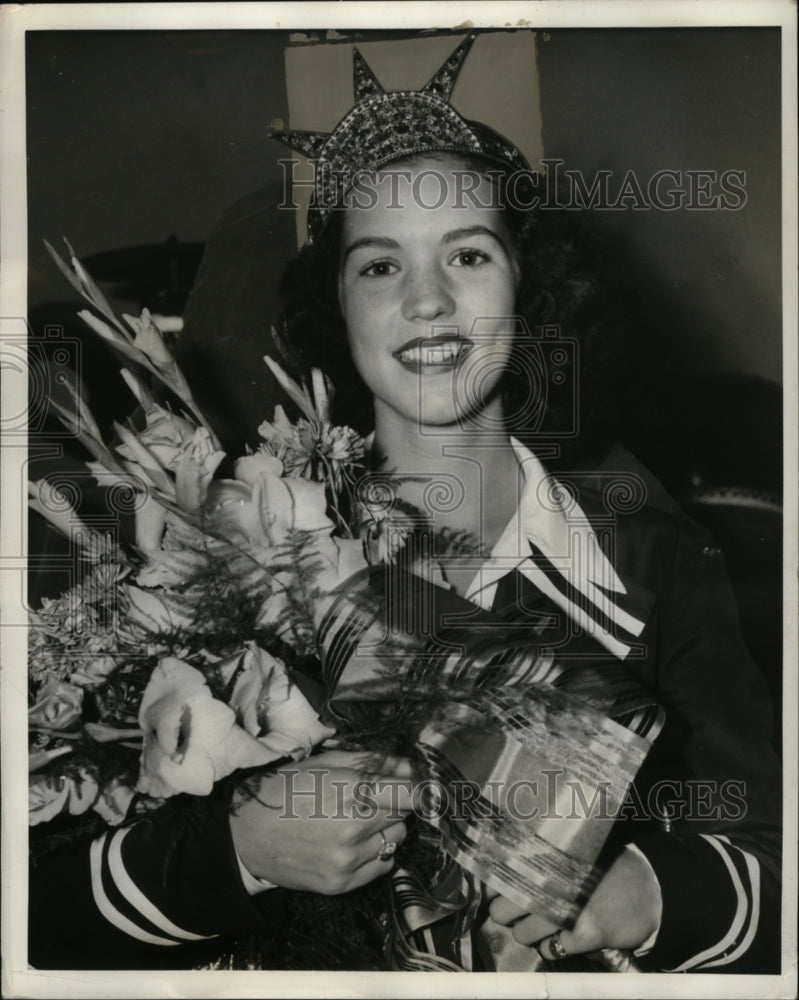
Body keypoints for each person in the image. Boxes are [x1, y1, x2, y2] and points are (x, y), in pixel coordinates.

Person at [28, 32, 781, 974]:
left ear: (528, 285)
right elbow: (35, 909)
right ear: (336, 305)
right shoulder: (213, 541)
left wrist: (640, 895)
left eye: (466, 256)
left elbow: (769, 869)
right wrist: (236, 854)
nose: (425, 301)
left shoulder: (651, 559)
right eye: (379, 265)